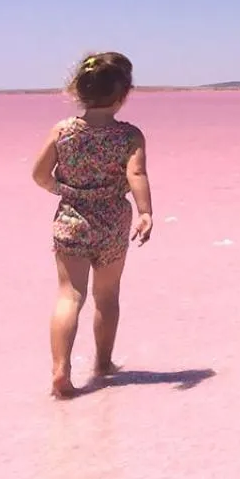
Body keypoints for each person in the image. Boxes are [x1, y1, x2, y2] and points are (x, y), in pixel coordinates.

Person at [30, 51, 153, 399]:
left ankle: (60, 369)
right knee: (107, 296)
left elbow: (39, 175)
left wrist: (63, 189)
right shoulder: (129, 136)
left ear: (79, 89)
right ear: (123, 95)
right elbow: (137, 173)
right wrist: (145, 211)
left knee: (70, 295)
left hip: (71, 219)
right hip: (113, 222)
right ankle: (103, 364)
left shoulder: (64, 131)